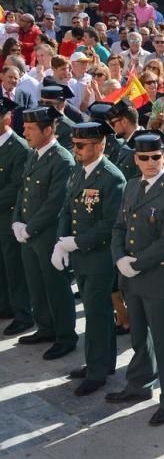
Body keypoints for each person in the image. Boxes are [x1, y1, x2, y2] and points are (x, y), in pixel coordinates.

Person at [106, 131, 164, 426]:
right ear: (136, 159)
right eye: (145, 158)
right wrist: (119, 259)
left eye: (156, 157)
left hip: (159, 279)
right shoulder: (131, 187)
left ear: (163, 157)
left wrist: (135, 264)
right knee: (139, 336)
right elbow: (118, 227)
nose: (151, 162)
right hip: (132, 276)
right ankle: (138, 385)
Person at [49, 121, 125, 394]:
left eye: (81, 146)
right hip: (81, 255)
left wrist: (76, 242)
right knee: (98, 314)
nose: (76, 150)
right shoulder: (79, 173)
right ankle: (102, 363)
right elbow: (67, 210)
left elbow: (108, 225)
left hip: (99, 257)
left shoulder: (111, 177)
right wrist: (61, 243)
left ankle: (97, 371)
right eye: (75, 145)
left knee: (96, 314)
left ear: (100, 145)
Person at [10, 106, 77, 355]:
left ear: (48, 130)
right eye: (25, 128)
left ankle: (65, 336)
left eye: (30, 129)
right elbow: (23, 190)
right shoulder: (35, 153)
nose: (25, 132)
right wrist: (17, 221)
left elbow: (55, 203)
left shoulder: (61, 159)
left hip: (47, 234)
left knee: (55, 286)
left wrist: (30, 227)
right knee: (36, 284)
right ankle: (45, 327)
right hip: (28, 232)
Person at [0, 98, 32, 337]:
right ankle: (5, 305)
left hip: (9, 215)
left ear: (7, 119)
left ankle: (22, 313)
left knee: (14, 266)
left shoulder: (19, 147)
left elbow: (15, 187)